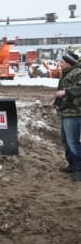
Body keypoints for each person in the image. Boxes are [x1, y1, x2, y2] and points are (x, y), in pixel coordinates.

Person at [54, 52, 81, 181]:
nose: (60, 64)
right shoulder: (67, 73)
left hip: (74, 112)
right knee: (66, 141)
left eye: (62, 62)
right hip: (66, 112)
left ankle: (79, 169)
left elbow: (78, 88)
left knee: (73, 142)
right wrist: (56, 103)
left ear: (69, 63)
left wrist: (65, 91)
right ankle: (72, 164)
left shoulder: (77, 72)